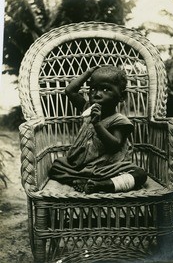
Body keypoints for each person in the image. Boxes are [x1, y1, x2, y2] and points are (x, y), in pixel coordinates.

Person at [49, 65, 147, 193]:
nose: (97, 94)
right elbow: (70, 91)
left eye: (106, 89)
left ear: (122, 96)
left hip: (110, 168)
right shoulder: (88, 109)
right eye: (93, 89)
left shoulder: (120, 120)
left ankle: (102, 185)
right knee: (57, 166)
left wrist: (97, 124)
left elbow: (115, 145)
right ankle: (85, 181)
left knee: (140, 174)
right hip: (82, 167)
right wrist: (89, 72)